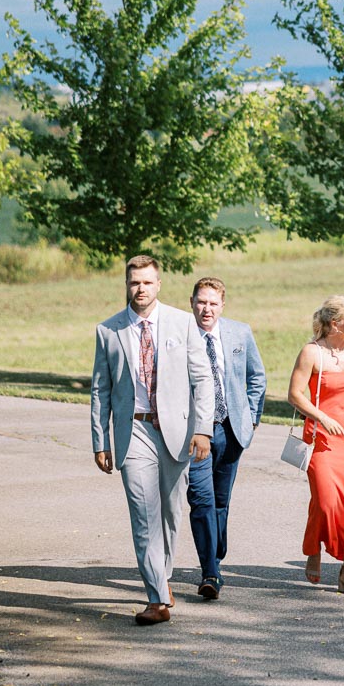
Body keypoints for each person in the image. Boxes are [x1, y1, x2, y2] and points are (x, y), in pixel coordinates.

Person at [91, 254, 213, 625]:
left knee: (172, 513)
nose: (140, 289)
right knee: (143, 515)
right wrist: (101, 440)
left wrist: (203, 429)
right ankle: (157, 598)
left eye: (147, 282)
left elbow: (203, 379)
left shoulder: (182, 322)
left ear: (158, 284)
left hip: (176, 431)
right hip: (135, 432)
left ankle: (164, 575)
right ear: (126, 284)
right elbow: (101, 389)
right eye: (134, 282)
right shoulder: (108, 331)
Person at [186, 276, 268, 601]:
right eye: (201, 302)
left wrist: (251, 416)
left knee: (221, 501)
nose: (207, 309)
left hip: (232, 428)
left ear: (223, 305)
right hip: (196, 433)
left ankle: (215, 554)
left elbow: (256, 376)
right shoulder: (180, 335)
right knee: (201, 499)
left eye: (213, 303)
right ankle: (210, 572)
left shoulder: (239, 332)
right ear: (192, 302)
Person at [288, 296, 344, 595]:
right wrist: (323, 417)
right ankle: (314, 548)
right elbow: (295, 394)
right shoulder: (312, 352)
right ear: (336, 323)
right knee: (325, 502)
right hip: (320, 437)